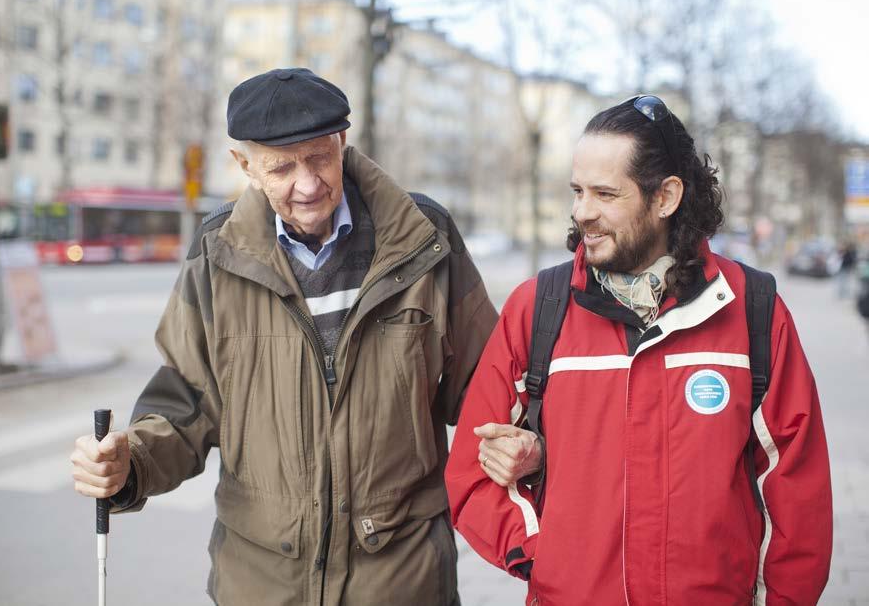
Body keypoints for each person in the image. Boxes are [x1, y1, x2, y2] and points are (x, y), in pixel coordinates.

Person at [69, 68, 501, 605]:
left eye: (320, 156)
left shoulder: (424, 237)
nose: (308, 183)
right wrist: (128, 460)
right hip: (260, 582)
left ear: (342, 142)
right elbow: (187, 403)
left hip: (400, 579)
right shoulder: (215, 252)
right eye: (282, 167)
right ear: (245, 166)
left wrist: (528, 442)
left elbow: (490, 385)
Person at [445, 95, 833, 605]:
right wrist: (544, 551)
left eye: (605, 194)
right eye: (577, 191)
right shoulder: (536, 310)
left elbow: (798, 490)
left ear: (666, 196)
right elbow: (471, 469)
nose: (583, 212)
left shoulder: (752, 309)